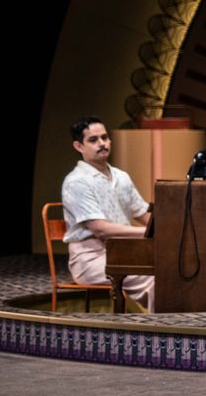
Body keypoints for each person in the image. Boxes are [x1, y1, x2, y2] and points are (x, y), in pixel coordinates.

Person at [60, 117, 155, 311]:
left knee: (171, 266)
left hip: (123, 253)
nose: (102, 143)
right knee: (152, 277)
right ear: (79, 146)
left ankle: (183, 321)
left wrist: (171, 226)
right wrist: (149, 233)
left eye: (104, 137)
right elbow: (100, 229)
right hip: (91, 259)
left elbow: (143, 213)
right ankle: (163, 326)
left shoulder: (121, 176)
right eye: (93, 140)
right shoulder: (76, 181)